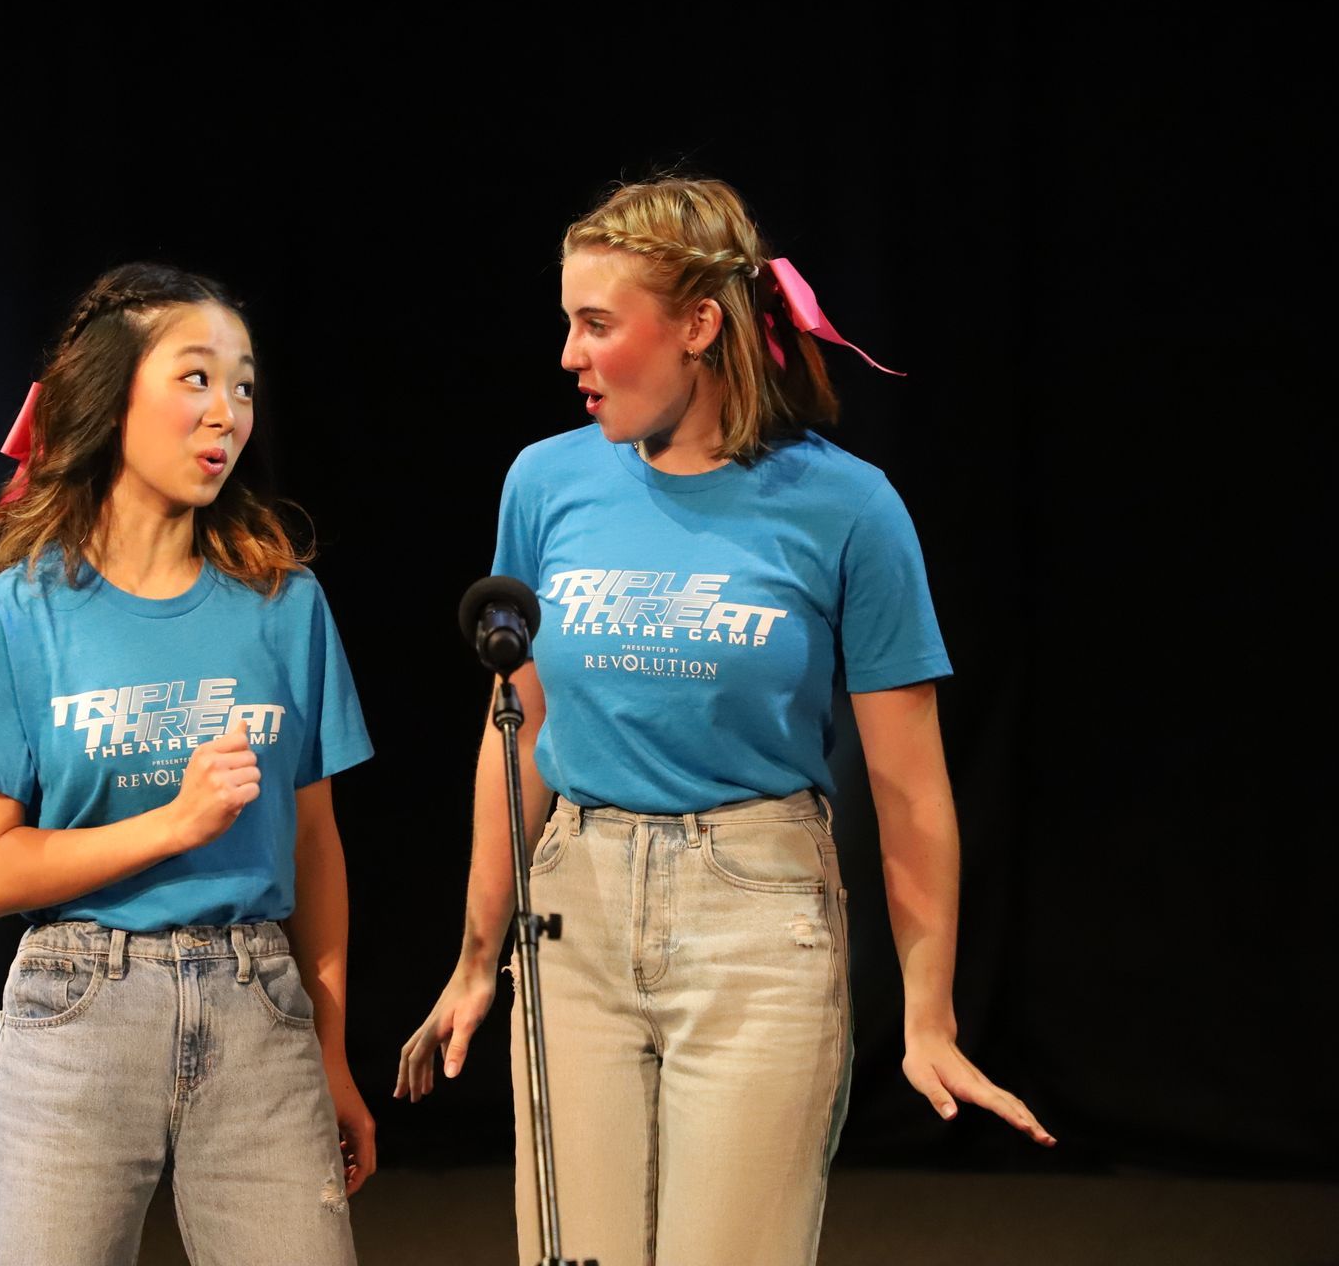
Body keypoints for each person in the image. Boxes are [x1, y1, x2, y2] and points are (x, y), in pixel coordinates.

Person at [397, 177, 1053, 1265]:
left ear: (699, 324)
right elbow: (513, 728)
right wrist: (477, 957)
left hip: (757, 920)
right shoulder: (545, 481)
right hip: (575, 919)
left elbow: (908, 788)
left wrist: (929, 1013)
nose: (569, 353)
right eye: (569, 322)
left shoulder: (847, 505)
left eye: (598, 324)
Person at [0, 262, 374, 1265]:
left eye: (246, 384)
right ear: (109, 392)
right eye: (197, 377)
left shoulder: (284, 604)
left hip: (259, 1007)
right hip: (79, 1008)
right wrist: (173, 825)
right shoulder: (7, 616)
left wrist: (331, 1053)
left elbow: (315, 841)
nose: (229, 411)